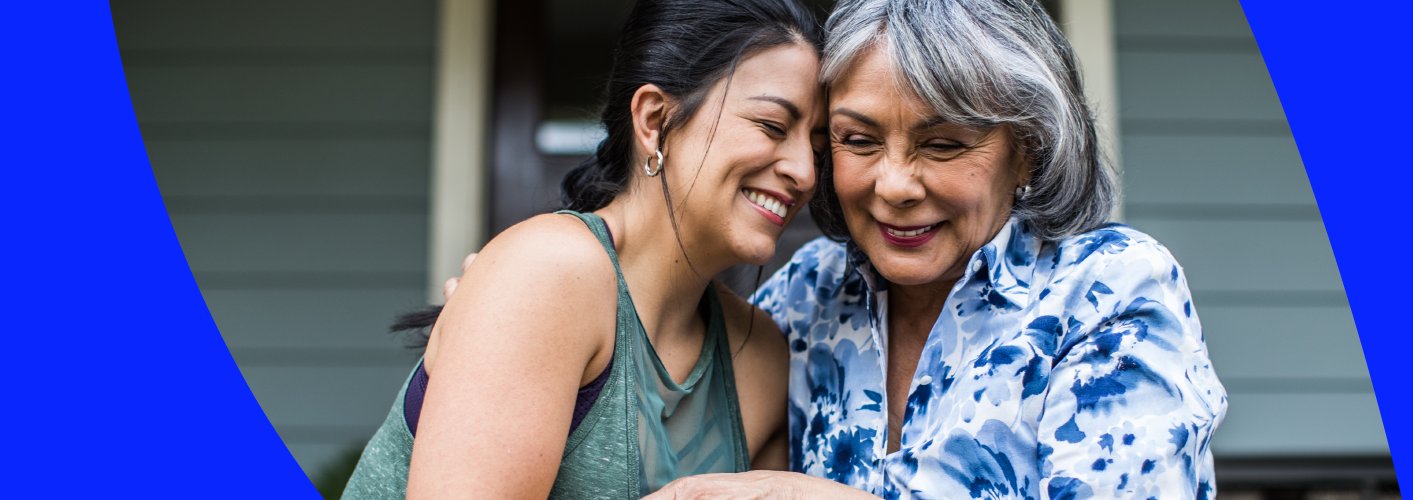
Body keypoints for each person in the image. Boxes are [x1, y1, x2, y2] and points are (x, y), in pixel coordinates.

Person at [649, 0, 1229, 498]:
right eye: (858, 140)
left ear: (1027, 149)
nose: (895, 186)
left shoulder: (1108, 290)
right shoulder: (808, 295)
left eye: (944, 144)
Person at [339, 0, 826, 497]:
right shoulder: (549, 273)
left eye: (818, 143)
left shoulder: (760, 358)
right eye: (771, 126)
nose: (805, 172)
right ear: (654, 120)